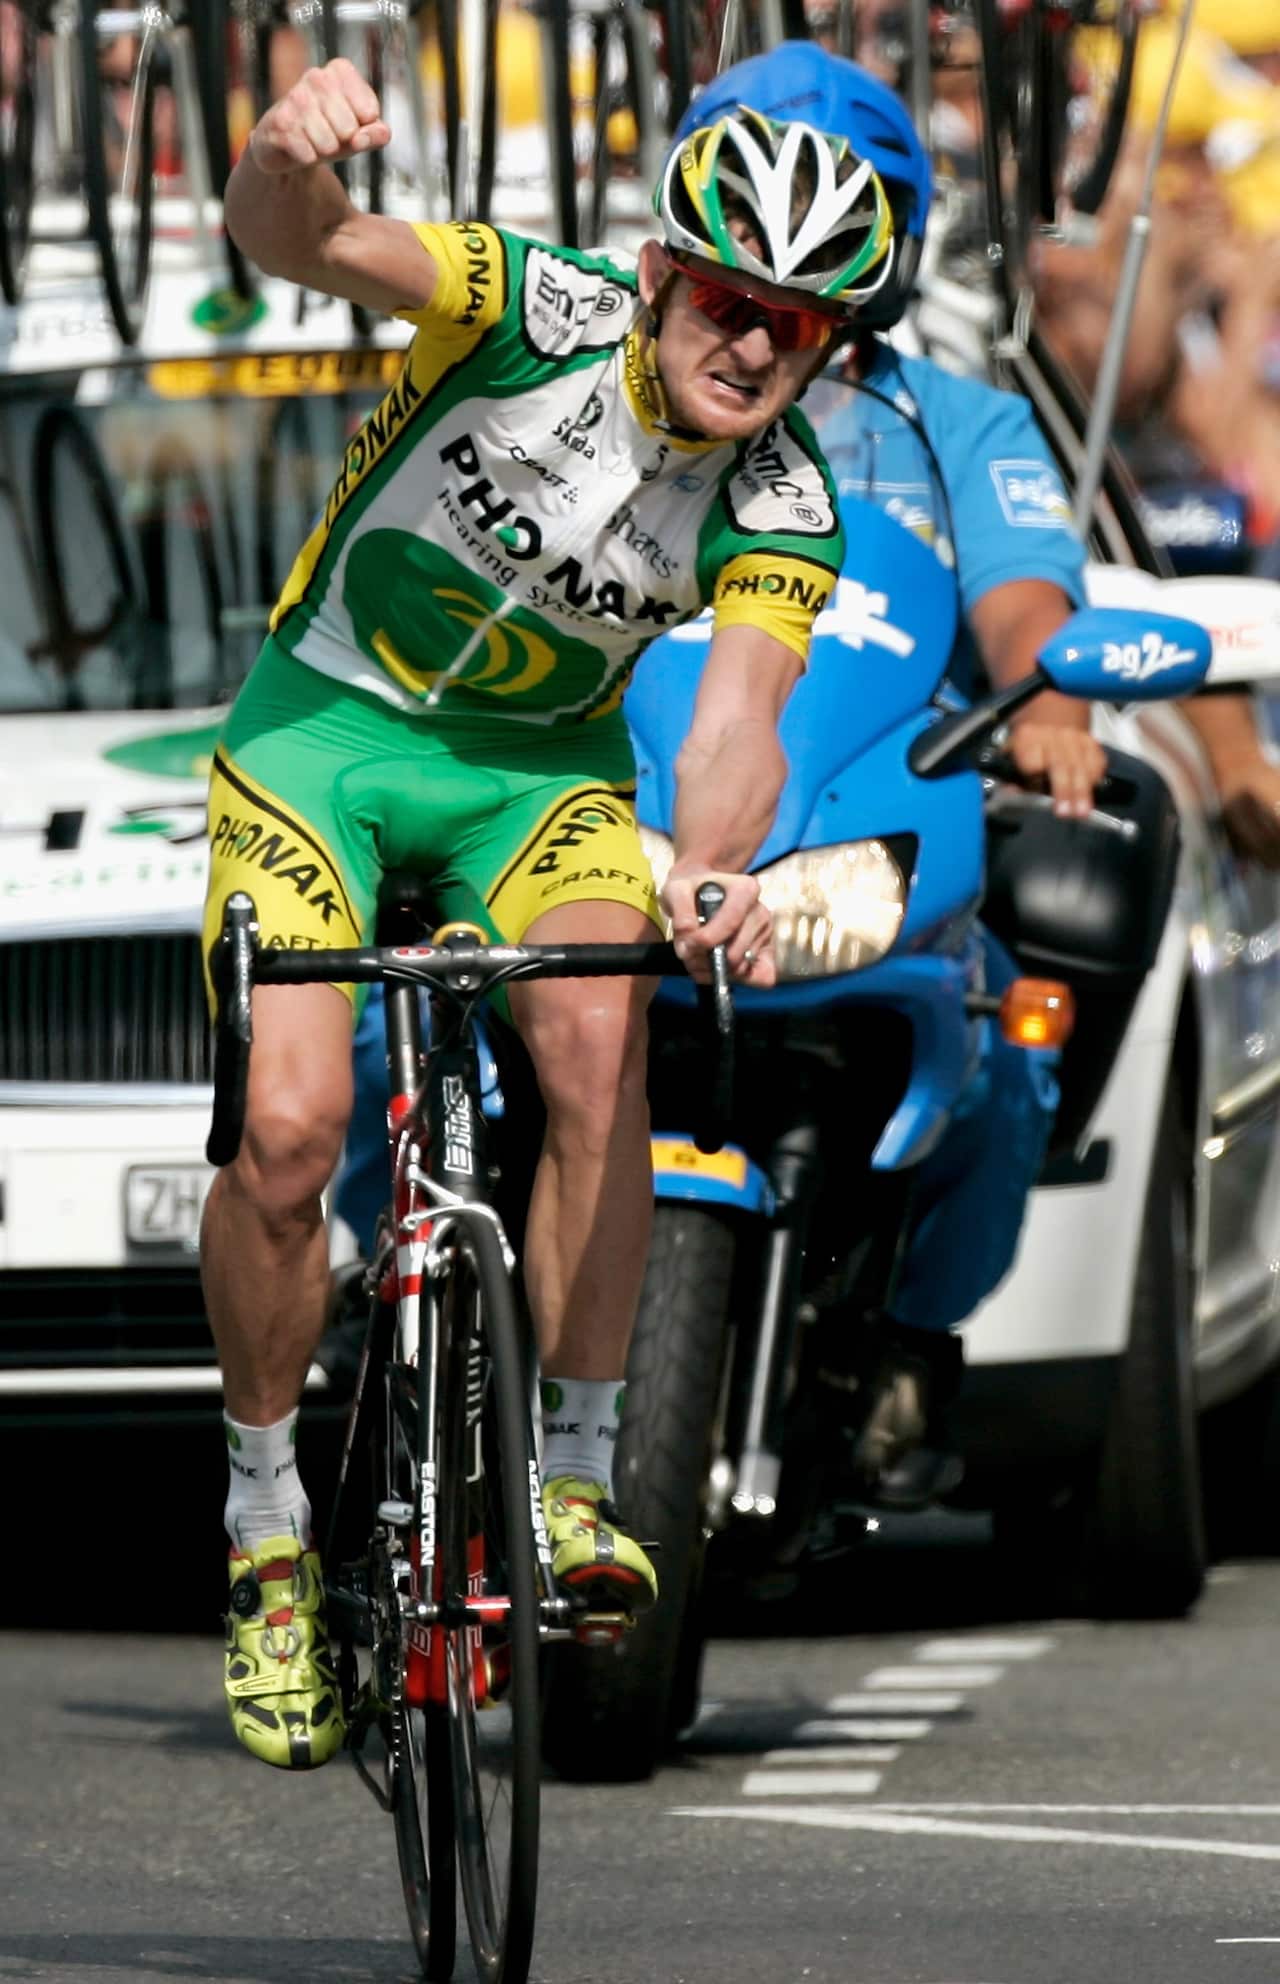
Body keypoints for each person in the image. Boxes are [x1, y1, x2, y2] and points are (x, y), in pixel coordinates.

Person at [202, 48, 904, 1768]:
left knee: (601, 1046)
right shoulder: (529, 303)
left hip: (539, 779)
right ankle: (265, 1520)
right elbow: (305, 243)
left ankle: (575, 1478)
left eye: (801, 329)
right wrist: (284, 154)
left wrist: (714, 868)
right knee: (287, 1136)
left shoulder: (786, 502)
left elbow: (737, 724)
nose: (756, 346)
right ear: (661, 273)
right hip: (321, 738)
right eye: (732, 301)